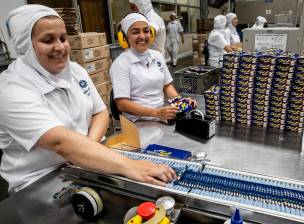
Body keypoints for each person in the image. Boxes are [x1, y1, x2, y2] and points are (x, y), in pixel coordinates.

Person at [0, 5, 176, 193]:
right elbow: (59, 142)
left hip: (85, 160)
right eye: (48, 40)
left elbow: (100, 112)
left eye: (63, 38)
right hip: (38, 180)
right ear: (24, 45)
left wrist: (88, 149)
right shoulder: (10, 89)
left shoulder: (76, 71)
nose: (60, 47)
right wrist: (129, 165)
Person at [110, 13, 196, 122]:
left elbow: (167, 86)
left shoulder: (157, 56)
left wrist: (181, 103)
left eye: (146, 31)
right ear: (125, 37)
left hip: (162, 117)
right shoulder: (121, 64)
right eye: (135, 32)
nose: (142, 36)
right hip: (136, 123)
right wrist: (155, 113)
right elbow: (122, 104)